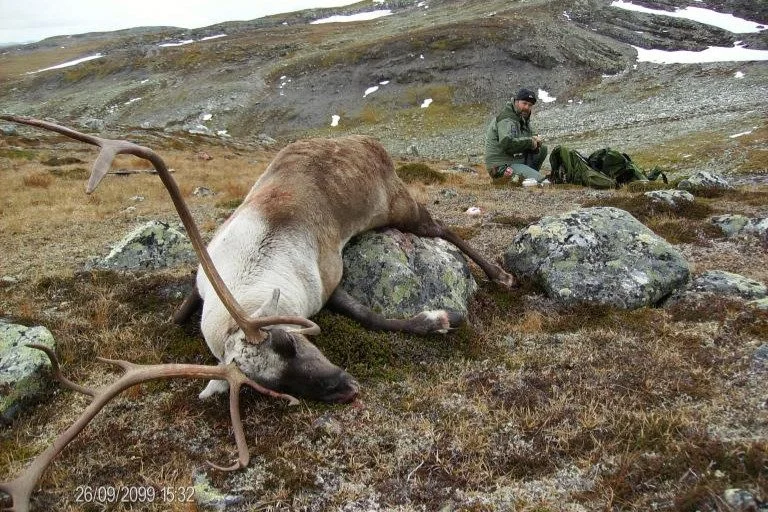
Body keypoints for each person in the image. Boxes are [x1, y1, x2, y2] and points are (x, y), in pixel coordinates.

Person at [484, 88, 549, 184]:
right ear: (516, 102)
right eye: (524, 103)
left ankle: (526, 177)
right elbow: (507, 144)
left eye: (530, 105)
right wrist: (530, 142)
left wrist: (536, 140)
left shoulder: (522, 118)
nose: (527, 107)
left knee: (542, 149)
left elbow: (529, 136)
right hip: (501, 165)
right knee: (543, 182)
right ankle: (506, 179)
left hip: (514, 160)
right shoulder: (507, 119)